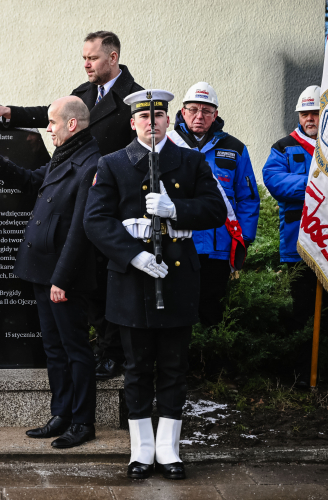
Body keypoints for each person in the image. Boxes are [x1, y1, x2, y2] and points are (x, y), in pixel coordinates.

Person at [0, 31, 144, 380]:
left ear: (112, 58)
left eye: (93, 58)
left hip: (110, 202)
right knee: (87, 284)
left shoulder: (134, 97)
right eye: (84, 58)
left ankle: (111, 353)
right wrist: (11, 113)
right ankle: (99, 352)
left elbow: (141, 150)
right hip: (74, 198)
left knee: (105, 284)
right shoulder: (83, 94)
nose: (86, 64)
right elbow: (51, 114)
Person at [84, 90, 227, 479]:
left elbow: (216, 209)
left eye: (158, 116)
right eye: (144, 117)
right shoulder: (112, 164)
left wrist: (175, 208)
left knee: (174, 366)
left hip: (178, 278)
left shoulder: (191, 161)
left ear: (168, 120)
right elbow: (95, 221)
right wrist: (136, 255)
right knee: (136, 368)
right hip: (132, 281)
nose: (152, 122)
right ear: (133, 123)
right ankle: (141, 449)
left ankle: (168, 449)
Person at [0, 96, 100, 448]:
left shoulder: (90, 163)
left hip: (64, 276)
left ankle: (83, 421)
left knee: (75, 349)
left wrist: (62, 279)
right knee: (54, 348)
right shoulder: (67, 155)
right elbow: (33, 183)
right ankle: (61, 414)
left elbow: (80, 230)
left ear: (72, 124)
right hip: (43, 270)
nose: (48, 128)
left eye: (52, 123)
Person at [167, 82, 260, 327]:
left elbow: (248, 197)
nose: (199, 116)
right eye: (193, 109)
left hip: (217, 248)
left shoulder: (235, 148)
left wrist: (244, 238)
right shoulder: (166, 145)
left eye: (206, 111)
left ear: (215, 115)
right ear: (183, 111)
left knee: (212, 313)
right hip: (176, 244)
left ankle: (210, 363)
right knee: (177, 312)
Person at [262, 85, 322, 388]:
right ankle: (301, 377)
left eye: (315, 112)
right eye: (305, 113)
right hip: (298, 245)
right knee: (302, 313)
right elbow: (275, 181)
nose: (310, 118)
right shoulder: (284, 146)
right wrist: (317, 183)